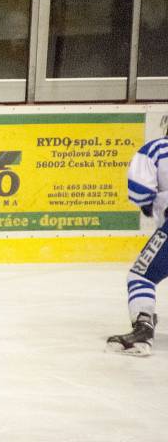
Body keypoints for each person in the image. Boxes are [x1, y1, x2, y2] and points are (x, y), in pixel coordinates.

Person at [107, 123, 168, 356]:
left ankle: (143, 328)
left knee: (141, 276)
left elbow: (139, 190)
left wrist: (148, 206)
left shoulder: (157, 149)